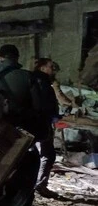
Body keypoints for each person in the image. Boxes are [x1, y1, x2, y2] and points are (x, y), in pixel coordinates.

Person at [0, 44, 39, 135]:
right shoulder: (28, 76)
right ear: (17, 58)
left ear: (0, 57)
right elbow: (37, 104)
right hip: (21, 123)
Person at [31, 58, 61, 197]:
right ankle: (40, 185)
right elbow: (45, 105)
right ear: (43, 68)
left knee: (34, 153)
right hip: (41, 123)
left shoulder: (32, 80)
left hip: (31, 123)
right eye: (51, 67)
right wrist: (53, 116)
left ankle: (32, 183)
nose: (53, 70)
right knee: (47, 155)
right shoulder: (42, 83)